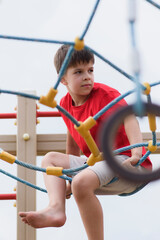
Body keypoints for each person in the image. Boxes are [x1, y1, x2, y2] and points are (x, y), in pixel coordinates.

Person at [19, 45, 152, 240]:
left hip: (128, 164)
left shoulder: (105, 95)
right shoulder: (65, 104)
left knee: (80, 183)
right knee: (51, 159)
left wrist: (136, 155)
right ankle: (56, 208)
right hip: (100, 165)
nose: (87, 76)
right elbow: (73, 138)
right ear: (63, 79)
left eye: (90, 70)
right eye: (79, 72)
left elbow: (129, 118)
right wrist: (68, 179)